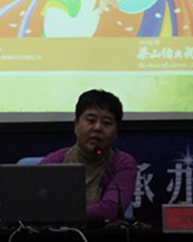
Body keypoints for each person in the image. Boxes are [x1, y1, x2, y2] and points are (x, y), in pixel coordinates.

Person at [41, 89, 137, 221]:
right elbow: (36, 206)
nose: (97, 128)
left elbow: (109, 210)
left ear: (116, 133)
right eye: (91, 121)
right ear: (76, 125)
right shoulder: (54, 161)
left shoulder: (122, 163)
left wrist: (60, 213)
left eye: (106, 123)